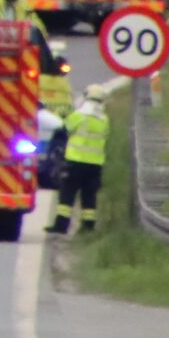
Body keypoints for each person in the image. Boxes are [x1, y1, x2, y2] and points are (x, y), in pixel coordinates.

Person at [51, 85, 111, 235]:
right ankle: (88, 227)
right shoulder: (104, 120)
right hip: (95, 165)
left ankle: (61, 226)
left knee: (67, 195)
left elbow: (63, 129)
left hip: (75, 162)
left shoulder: (79, 115)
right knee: (89, 197)